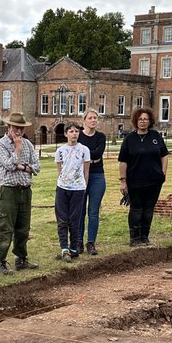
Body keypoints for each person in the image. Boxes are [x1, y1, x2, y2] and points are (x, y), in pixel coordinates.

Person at [0, 112, 40, 275]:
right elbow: (9, 164)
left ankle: (21, 258)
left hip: (25, 190)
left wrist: (23, 166)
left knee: (23, 227)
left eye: (21, 128)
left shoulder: (29, 144)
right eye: (16, 128)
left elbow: (37, 167)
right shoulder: (0, 145)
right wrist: (17, 150)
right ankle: (0, 261)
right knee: (5, 226)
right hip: (9, 191)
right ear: (9, 127)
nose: (19, 132)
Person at [117, 106, 169, 247]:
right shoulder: (129, 139)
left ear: (150, 121)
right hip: (135, 181)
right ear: (136, 121)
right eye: (140, 119)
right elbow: (123, 161)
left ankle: (145, 236)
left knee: (148, 208)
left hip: (154, 181)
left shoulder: (156, 136)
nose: (143, 121)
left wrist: (163, 173)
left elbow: (164, 155)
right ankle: (134, 238)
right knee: (136, 208)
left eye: (146, 119)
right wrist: (123, 181)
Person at [54, 122, 91, 260]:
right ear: (65, 134)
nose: (74, 134)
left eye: (76, 131)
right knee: (62, 219)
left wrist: (83, 185)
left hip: (78, 189)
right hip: (63, 188)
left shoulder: (84, 150)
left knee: (74, 220)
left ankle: (74, 248)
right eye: (71, 131)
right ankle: (64, 248)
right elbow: (60, 169)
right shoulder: (60, 151)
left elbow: (86, 170)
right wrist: (63, 182)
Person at [76, 109, 107, 255]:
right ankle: (78, 242)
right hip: (80, 176)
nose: (93, 120)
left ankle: (91, 243)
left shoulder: (101, 137)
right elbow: (79, 153)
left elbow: (98, 153)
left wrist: (86, 155)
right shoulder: (78, 135)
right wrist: (90, 156)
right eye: (90, 118)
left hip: (97, 175)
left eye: (96, 118)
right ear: (84, 120)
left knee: (93, 211)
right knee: (80, 211)